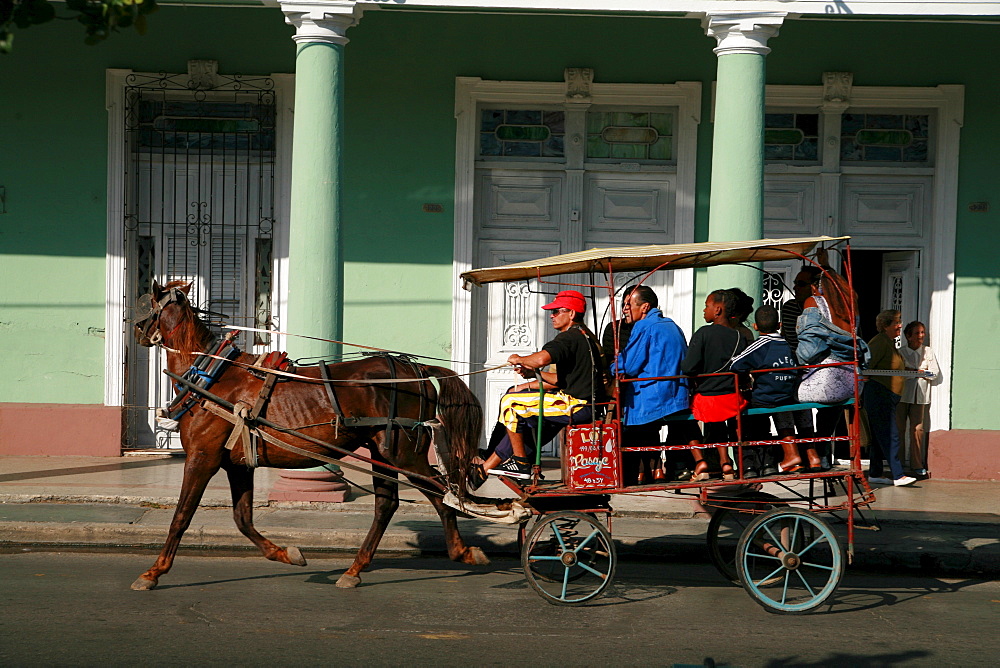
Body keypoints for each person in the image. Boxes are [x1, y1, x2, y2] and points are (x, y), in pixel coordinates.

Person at [479, 290, 606, 481]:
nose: (552, 316)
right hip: (583, 402)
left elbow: (540, 359)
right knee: (516, 404)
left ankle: (521, 463)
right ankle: (487, 466)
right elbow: (561, 380)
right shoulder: (583, 335)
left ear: (571, 314)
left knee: (511, 402)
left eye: (556, 311)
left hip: (580, 405)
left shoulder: (568, 337)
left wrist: (519, 358)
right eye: (552, 312)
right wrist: (532, 374)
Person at [616, 285, 695, 484]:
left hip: (652, 395)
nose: (625, 309)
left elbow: (631, 366)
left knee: (631, 432)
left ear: (645, 307)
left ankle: (637, 475)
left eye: (628, 305)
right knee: (651, 432)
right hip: (676, 393)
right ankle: (657, 470)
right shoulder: (671, 325)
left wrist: (612, 366)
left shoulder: (644, 326)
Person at [730, 305, 820, 477]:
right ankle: (810, 455)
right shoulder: (787, 346)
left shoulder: (760, 344)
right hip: (787, 396)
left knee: (745, 417)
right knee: (795, 405)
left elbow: (735, 364)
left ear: (755, 326)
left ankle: (755, 464)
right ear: (779, 325)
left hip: (764, 399)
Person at [681, 289, 748, 481]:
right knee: (722, 424)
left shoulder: (703, 333)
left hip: (707, 398)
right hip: (731, 398)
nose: (704, 310)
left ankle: (701, 462)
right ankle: (726, 463)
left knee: (685, 422)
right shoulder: (738, 337)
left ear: (717, 309)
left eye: (706, 306)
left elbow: (689, 366)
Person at [864, 310, 917, 487]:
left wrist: (912, 372)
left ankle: (875, 473)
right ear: (886, 325)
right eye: (896, 322)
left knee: (880, 437)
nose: (900, 325)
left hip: (888, 395)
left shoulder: (890, 343)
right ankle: (898, 475)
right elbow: (867, 367)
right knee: (890, 435)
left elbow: (891, 367)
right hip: (880, 394)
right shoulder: (879, 342)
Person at [897, 321, 940, 477]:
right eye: (917, 333)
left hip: (920, 396)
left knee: (918, 429)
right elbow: (900, 372)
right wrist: (920, 372)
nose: (921, 336)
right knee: (899, 429)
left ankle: (916, 463)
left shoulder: (928, 352)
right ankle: (898, 463)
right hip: (902, 396)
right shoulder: (901, 352)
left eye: (923, 332)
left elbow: (934, 373)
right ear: (908, 336)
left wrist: (914, 372)